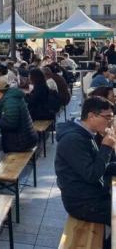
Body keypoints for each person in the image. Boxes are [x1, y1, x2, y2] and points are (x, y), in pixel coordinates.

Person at [55, 96, 116, 225]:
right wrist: (106, 147)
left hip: (90, 194)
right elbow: (92, 175)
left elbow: (96, 165)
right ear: (91, 116)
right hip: (82, 203)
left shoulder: (85, 133)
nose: (111, 122)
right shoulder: (73, 140)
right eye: (108, 117)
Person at [0, 78, 38, 174]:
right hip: (26, 138)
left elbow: (11, 124)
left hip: (21, 142)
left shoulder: (10, 101)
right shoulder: (11, 97)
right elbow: (4, 107)